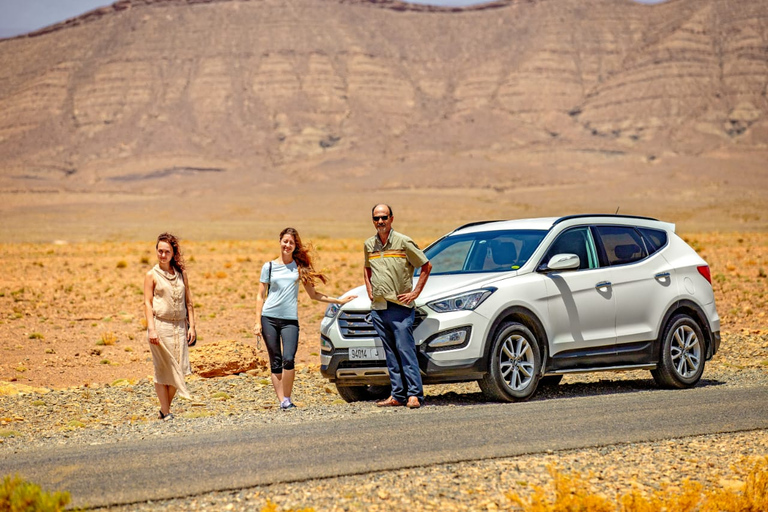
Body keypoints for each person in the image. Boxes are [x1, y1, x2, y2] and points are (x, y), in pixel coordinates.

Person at [254, 227, 356, 410]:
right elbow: (260, 296)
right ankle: (283, 401)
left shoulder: (299, 268)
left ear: (295, 246)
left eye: (291, 243)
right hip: (268, 318)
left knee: (288, 359)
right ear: (280, 242)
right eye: (285, 241)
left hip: (289, 320)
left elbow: (314, 294)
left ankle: (287, 396)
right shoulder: (268, 267)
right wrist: (256, 322)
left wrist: (338, 300)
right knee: (276, 361)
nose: (287, 245)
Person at [364, 204, 432, 409]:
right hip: (379, 308)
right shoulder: (369, 245)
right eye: (376, 218)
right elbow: (367, 270)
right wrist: (369, 290)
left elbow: (426, 265)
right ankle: (397, 395)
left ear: (392, 218)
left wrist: (415, 293)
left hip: (400, 308)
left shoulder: (403, 242)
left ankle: (414, 395)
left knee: (405, 350)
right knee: (390, 353)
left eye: (384, 217)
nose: (380, 222)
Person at [143, 232, 196, 421]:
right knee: (162, 369)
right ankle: (166, 412)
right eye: (160, 251)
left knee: (179, 369)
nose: (163, 255)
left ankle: (164, 409)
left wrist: (192, 326)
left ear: (174, 253)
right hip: (160, 326)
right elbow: (148, 303)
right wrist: (151, 329)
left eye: (167, 252)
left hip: (180, 328)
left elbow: (189, 302)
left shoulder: (181, 274)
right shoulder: (151, 275)